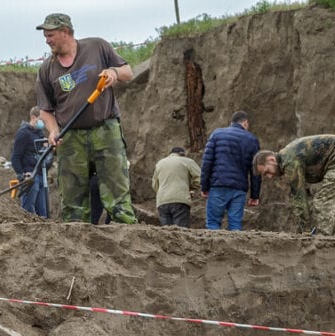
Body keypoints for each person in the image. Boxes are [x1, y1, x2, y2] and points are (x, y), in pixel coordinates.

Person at [35, 12, 136, 224]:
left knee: (116, 185)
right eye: (45, 35)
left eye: (51, 34)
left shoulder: (97, 47)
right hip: (70, 136)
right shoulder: (47, 69)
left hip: (105, 129)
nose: (47, 40)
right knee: (72, 196)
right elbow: (45, 110)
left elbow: (128, 72)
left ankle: (124, 229)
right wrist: (53, 130)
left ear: (66, 32)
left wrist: (114, 73)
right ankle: (76, 236)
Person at [253, 135, 335, 235]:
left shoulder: (289, 162)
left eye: (267, 172)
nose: (270, 176)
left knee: (323, 201)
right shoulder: (288, 154)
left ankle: (324, 242)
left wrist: (305, 231)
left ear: (272, 160)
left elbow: (299, 199)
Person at [200, 110, 261, 230]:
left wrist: (204, 187)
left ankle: (213, 248)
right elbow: (255, 171)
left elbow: (207, 163)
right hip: (239, 188)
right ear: (245, 123)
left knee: (213, 222)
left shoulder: (217, 134)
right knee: (235, 225)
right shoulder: (252, 140)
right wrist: (254, 195)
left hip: (219, 185)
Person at [10, 107, 51, 217]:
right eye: (41, 119)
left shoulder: (40, 134)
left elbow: (45, 157)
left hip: (41, 175)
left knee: (43, 212)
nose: (43, 123)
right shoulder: (24, 133)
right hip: (30, 177)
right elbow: (15, 157)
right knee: (28, 212)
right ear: (33, 117)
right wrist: (22, 175)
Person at [152, 146, 202, 227]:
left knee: (166, 234)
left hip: (162, 202)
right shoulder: (187, 161)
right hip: (180, 200)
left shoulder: (160, 163)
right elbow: (200, 177)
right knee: (181, 233)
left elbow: (154, 185)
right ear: (182, 154)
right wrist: (191, 188)